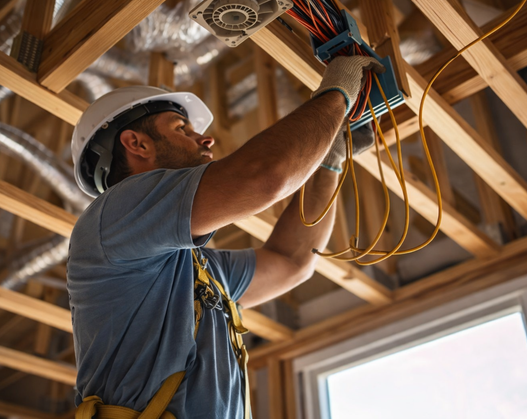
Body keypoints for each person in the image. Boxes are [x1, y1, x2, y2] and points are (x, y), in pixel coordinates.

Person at [67, 55, 384, 419]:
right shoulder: (114, 214)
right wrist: (338, 90)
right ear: (136, 144)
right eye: (181, 128)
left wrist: (329, 163)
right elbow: (264, 177)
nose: (205, 138)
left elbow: (292, 262)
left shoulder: (192, 269)